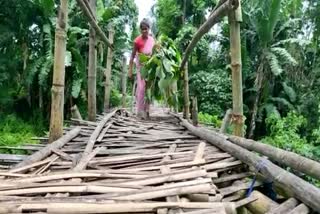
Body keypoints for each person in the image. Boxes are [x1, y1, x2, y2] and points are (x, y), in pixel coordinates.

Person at [128, 18, 155, 119]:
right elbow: (132, 56)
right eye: (142, 29)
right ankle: (139, 112)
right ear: (140, 30)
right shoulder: (137, 41)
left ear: (149, 29)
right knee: (141, 88)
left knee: (148, 89)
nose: (144, 31)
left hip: (150, 67)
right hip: (141, 67)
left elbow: (154, 52)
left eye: (146, 28)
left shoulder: (152, 40)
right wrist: (130, 70)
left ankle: (147, 111)